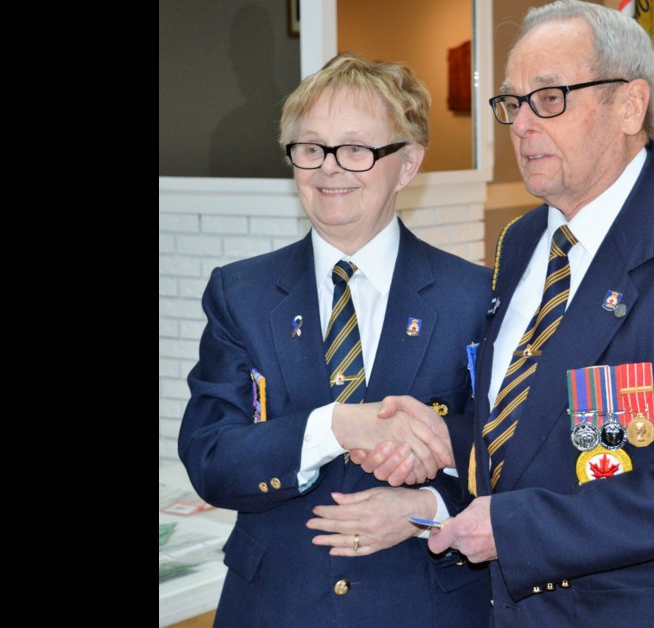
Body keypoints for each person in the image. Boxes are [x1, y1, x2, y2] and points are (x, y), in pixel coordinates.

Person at [355, 0, 654, 627]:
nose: (522, 125)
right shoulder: (523, 241)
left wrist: (518, 528)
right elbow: (540, 413)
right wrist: (450, 437)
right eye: (511, 103)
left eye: (550, 97)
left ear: (631, 106)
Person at [178, 53, 491, 627]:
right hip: (275, 605)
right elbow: (210, 457)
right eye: (311, 147)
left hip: (424, 604)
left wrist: (427, 508)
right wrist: (335, 426)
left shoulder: (475, 296)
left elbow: (520, 454)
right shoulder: (240, 293)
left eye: (356, 149)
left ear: (408, 164)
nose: (329, 169)